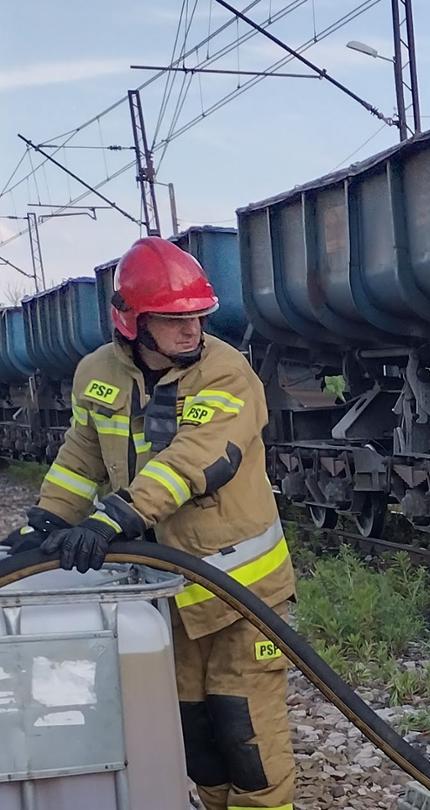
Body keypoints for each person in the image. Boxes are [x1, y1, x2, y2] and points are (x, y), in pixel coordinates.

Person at [1, 236, 296, 810]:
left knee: (245, 732)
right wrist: (45, 522)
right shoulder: (97, 372)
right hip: (164, 588)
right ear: (133, 322)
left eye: (198, 318)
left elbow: (198, 457)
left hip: (240, 590)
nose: (193, 332)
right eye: (175, 320)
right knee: (195, 732)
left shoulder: (227, 373)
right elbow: (81, 455)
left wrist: (114, 519)